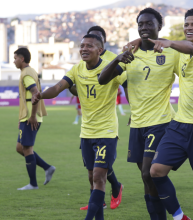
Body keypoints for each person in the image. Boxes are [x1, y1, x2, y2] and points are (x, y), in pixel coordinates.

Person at [99, 8, 193, 220]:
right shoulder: (130, 54)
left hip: (163, 121)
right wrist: (118, 58)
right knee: (147, 179)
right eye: (141, 24)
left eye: (149, 24)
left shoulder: (174, 52)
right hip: (137, 124)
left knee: (150, 173)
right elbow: (102, 79)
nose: (144, 27)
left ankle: (177, 215)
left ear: (159, 27)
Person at [32, 34, 127, 220]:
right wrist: (41, 95)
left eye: (89, 46)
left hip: (107, 132)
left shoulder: (112, 70)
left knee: (99, 177)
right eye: (82, 46)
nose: (84, 49)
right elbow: (58, 87)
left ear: (100, 50)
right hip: (86, 133)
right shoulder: (76, 69)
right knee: (93, 180)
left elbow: (130, 85)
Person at [140, 8, 193, 220]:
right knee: (155, 171)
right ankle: (179, 217)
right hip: (179, 124)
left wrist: (170, 42)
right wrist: (135, 43)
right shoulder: (180, 54)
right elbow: (160, 46)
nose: (189, 28)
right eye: (186, 24)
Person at [14, 48, 55, 190]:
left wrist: (32, 116)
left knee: (27, 148)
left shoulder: (26, 74)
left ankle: (33, 184)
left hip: (31, 117)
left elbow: (36, 93)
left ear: (22, 59)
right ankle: (47, 167)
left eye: (15, 58)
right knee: (20, 148)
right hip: (26, 116)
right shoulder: (29, 71)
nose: (14, 61)